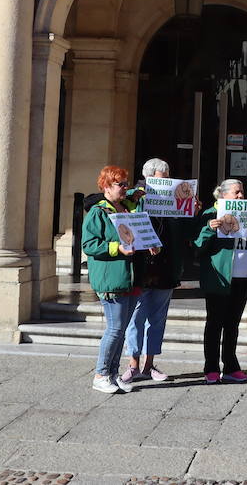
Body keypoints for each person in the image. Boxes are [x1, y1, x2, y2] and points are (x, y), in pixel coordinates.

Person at [82, 165, 159, 394]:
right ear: (106, 186)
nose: (125, 188)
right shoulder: (98, 212)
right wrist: (117, 248)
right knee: (114, 329)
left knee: (122, 328)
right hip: (112, 278)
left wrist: (149, 244)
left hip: (131, 277)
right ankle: (101, 374)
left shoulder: (125, 208)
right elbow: (89, 245)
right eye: (120, 184)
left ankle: (113, 375)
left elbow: (135, 235)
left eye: (126, 183)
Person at [121, 157, 186, 384]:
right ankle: (133, 364)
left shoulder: (175, 199)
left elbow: (183, 232)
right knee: (135, 318)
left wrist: (191, 211)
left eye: (168, 178)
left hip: (166, 268)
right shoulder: (133, 196)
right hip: (141, 269)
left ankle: (149, 365)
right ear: (149, 178)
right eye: (162, 179)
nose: (167, 183)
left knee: (157, 319)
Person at [196, 178, 247, 383]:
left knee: (233, 324)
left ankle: (231, 366)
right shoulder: (209, 214)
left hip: (242, 277)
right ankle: (210, 367)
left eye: (242, 192)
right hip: (220, 279)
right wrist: (209, 228)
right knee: (214, 324)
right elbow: (198, 246)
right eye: (236, 192)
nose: (240, 196)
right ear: (223, 194)